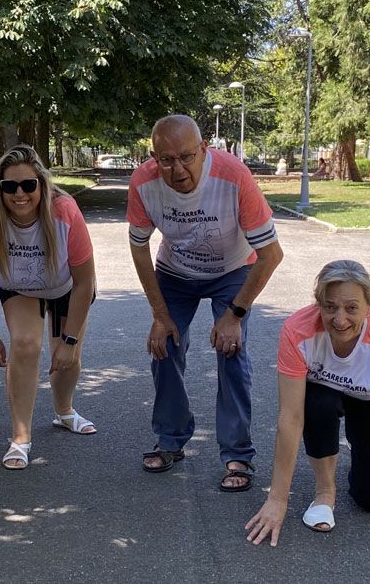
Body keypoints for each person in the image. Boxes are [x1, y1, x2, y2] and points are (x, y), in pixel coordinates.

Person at [245, 261, 370, 561]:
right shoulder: (298, 330)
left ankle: (359, 461)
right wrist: (277, 500)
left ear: (369, 306)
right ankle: (325, 492)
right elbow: (290, 419)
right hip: (322, 394)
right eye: (330, 307)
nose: (339, 320)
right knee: (316, 405)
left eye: (351, 308)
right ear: (318, 305)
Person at [127, 114, 284, 491]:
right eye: (166, 160)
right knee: (163, 345)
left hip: (233, 269)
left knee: (231, 350)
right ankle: (170, 439)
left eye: (186, 157)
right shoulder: (144, 182)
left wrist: (235, 314)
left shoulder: (233, 176)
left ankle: (237, 453)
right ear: (153, 157)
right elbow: (138, 247)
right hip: (176, 270)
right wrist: (159, 315)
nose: (177, 169)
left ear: (204, 149)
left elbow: (271, 255)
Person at [0, 145, 98, 470]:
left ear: (41, 183)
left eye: (28, 185)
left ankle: (64, 411)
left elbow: (84, 281)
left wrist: (68, 341)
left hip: (67, 288)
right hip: (19, 289)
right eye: (9, 186)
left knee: (67, 359)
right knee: (24, 345)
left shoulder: (64, 211)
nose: (19, 194)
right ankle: (20, 438)